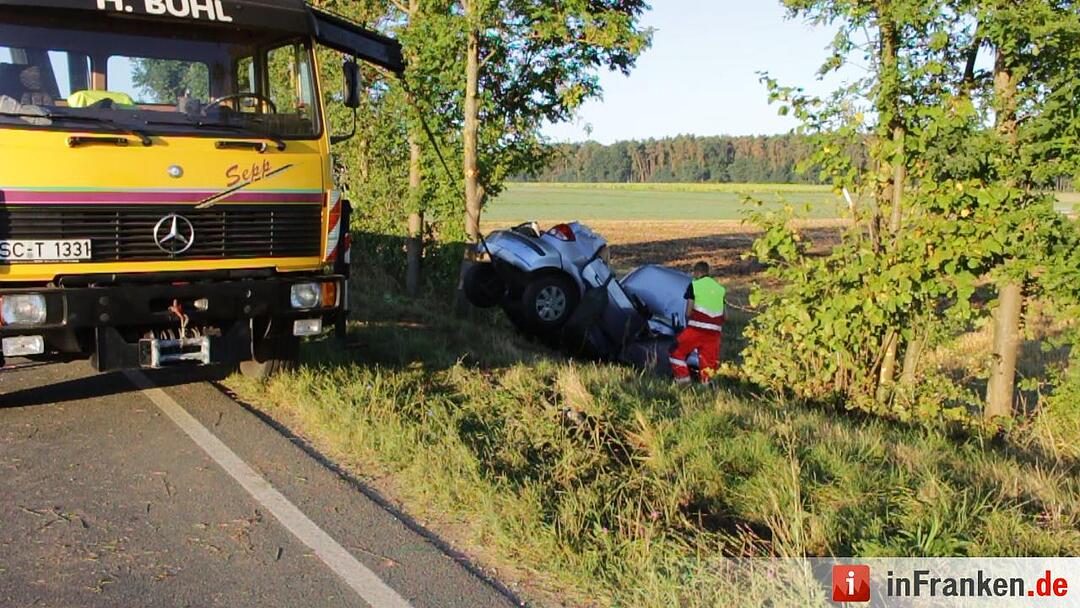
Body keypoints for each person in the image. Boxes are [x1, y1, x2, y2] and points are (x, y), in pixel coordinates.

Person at [670, 261, 726, 386]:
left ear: (698, 272)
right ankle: (707, 388)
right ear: (708, 272)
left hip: (696, 330)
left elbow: (688, 312)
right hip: (715, 333)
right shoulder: (719, 289)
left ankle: (683, 381)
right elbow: (726, 316)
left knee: (676, 351)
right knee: (708, 364)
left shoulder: (694, 285)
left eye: (694, 273)